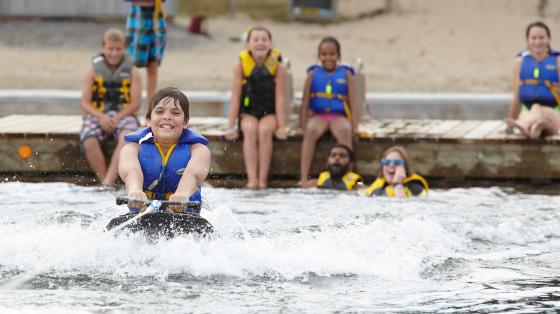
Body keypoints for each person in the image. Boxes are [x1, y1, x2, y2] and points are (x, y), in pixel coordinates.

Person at [119, 87, 211, 214]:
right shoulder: (131, 149)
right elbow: (131, 172)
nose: (167, 117)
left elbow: (192, 175)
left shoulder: (199, 151)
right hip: (142, 214)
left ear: (185, 122)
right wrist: (135, 190)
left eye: (175, 113)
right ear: (148, 120)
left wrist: (182, 194)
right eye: (160, 111)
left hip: (183, 217)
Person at [224, 26, 288, 189]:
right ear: (248, 44)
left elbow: (280, 98)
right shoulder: (240, 66)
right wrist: (231, 126)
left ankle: (263, 180)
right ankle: (252, 179)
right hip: (249, 113)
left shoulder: (278, 67)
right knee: (251, 129)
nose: (260, 43)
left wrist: (281, 126)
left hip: (270, 113)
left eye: (264, 40)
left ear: (271, 44)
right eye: (256, 40)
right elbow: (236, 97)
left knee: (265, 131)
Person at [80, 28, 141, 187]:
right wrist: (101, 117)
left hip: (124, 114)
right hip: (98, 114)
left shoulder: (133, 72)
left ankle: (109, 181)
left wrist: (118, 117)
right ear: (103, 48)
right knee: (89, 139)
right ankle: (103, 181)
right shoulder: (92, 71)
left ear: (124, 49)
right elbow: (85, 102)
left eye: (118, 49)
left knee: (128, 136)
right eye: (110, 49)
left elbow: (135, 104)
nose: (114, 53)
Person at [299, 37, 358, 187]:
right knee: (311, 131)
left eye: (332, 54)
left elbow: (353, 102)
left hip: (338, 116)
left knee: (345, 131)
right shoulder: (312, 75)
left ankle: (348, 176)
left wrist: (355, 126)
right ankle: (304, 177)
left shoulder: (346, 74)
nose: (328, 58)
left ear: (339, 56)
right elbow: (305, 102)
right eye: (324, 54)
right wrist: (302, 124)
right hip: (318, 115)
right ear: (319, 56)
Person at [506, 21, 560, 139]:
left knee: (537, 110)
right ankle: (535, 128)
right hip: (527, 111)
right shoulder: (520, 63)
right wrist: (509, 126)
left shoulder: (558, 61)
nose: (537, 42)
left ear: (548, 39)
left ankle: (528, 127)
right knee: (527, 113)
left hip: (553, 113)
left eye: (541, 38)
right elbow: (516, 97)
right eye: (533, 38)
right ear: (528, 41)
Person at [124, 0, 167, 104]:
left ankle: (151, 110)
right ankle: (130, 106)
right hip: (137, 14)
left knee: (153, 65)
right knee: (130, 65)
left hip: (156, 14)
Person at [363, 146, 428, 197]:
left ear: (405, 167)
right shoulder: (378, 187)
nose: (391, 165)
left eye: (397, 162)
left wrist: (397, 185)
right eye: (386, 162)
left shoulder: (415, 188)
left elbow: (404, 210)